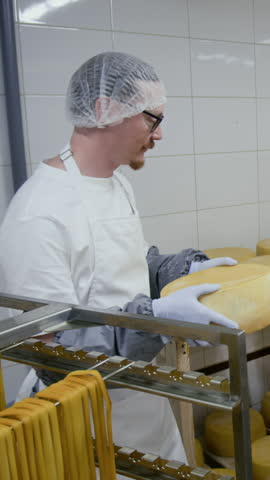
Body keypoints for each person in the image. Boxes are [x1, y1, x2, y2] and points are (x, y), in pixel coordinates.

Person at [0, 52, 238, 473]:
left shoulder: (116, 185)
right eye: (153, 119)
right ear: (104, 110)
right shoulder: (39, 212)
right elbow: (52, 355)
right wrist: (157, 320)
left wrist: (180, 273)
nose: (159, 134)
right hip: (83, 421)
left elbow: (129, 265)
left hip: (141, 399)